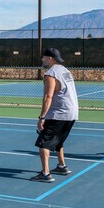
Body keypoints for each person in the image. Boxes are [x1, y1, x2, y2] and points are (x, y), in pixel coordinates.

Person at [31, 48, 79, 182]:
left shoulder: (51, 74)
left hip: (60, 113)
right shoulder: (65, 71)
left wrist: (41, 117)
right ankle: (62, 166)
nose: (42, 60)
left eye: (43, 57)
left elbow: (48, 96)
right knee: (58, 141)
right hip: (72, 112)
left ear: (50, 58)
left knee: (43, 144)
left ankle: (46, 174)